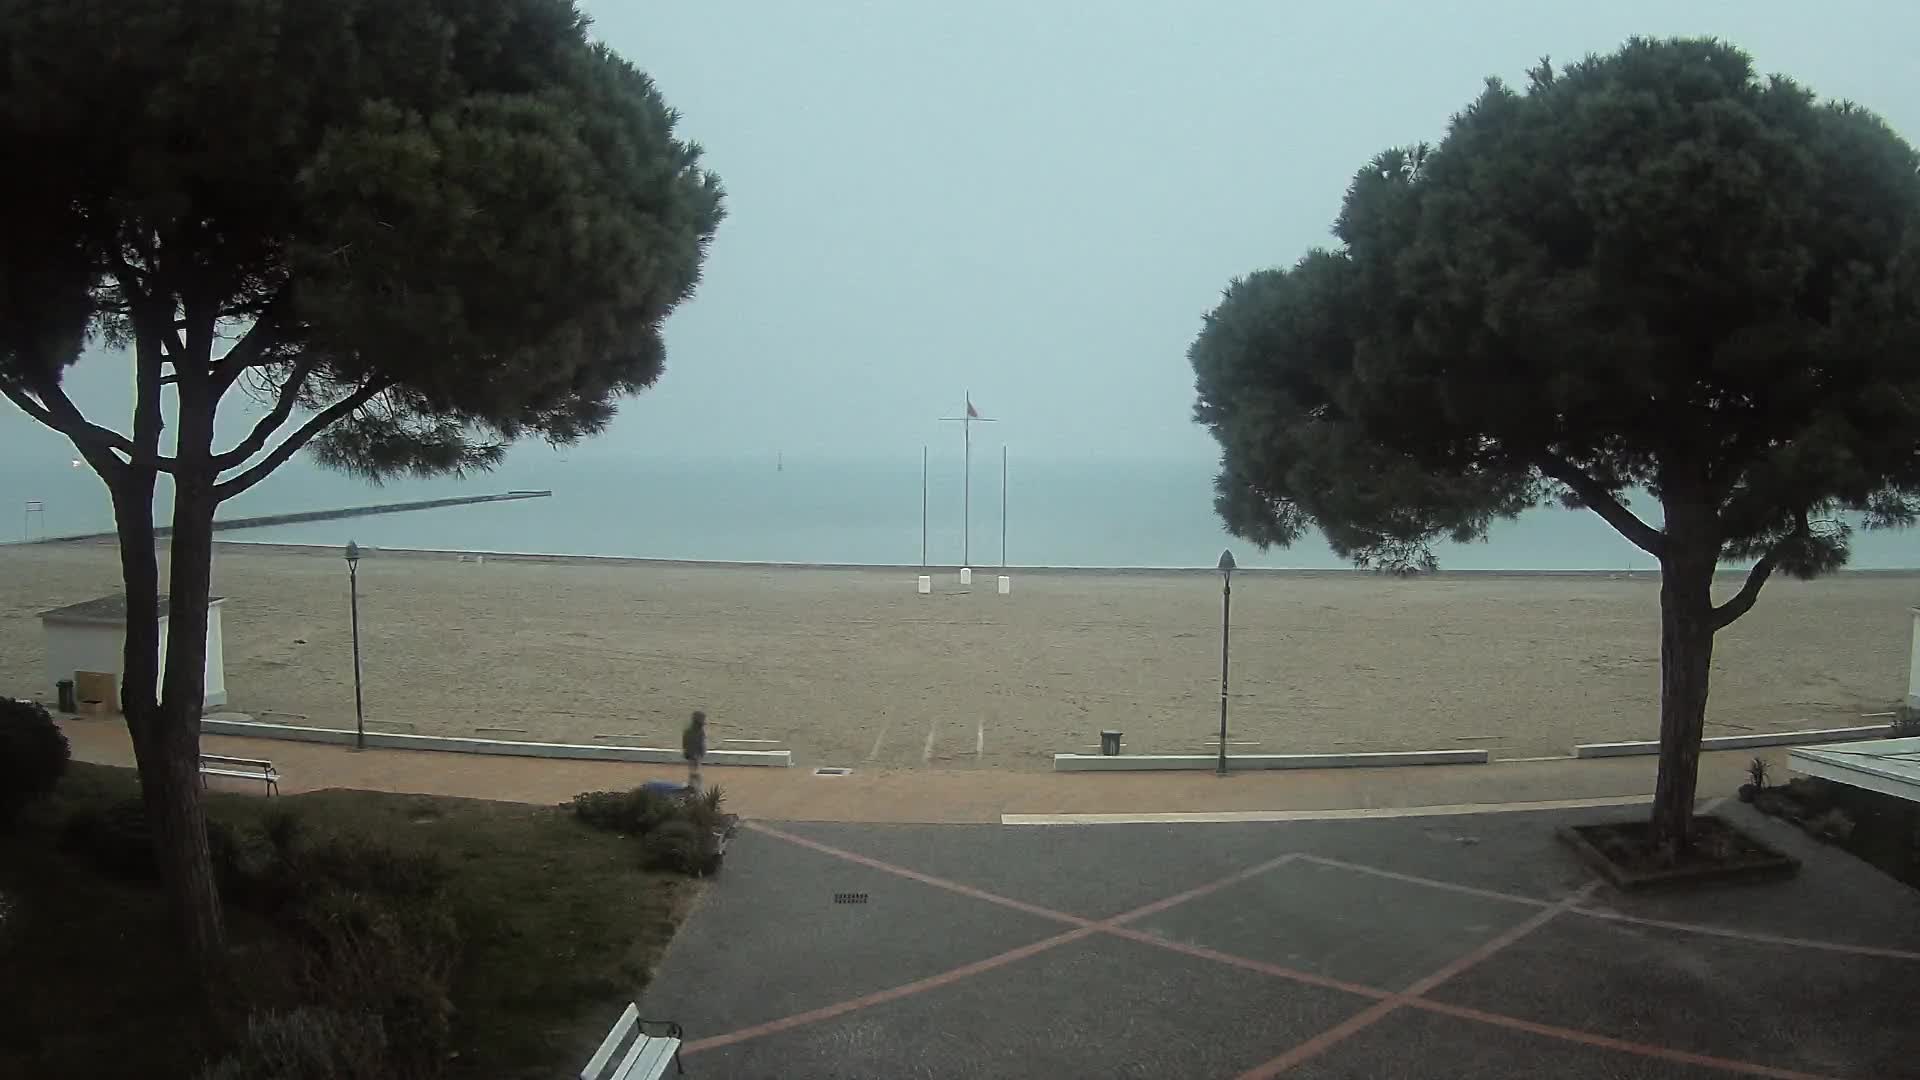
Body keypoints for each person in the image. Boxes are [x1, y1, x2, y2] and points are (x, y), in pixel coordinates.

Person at [682, 709, 708, 790]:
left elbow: (685, 742)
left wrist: (685, 751)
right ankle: (694, 785)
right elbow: (702, 744)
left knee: (694, 770)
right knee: (695, 769)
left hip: (692, 753)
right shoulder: (700, 732)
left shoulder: (689, 731)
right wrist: (702, 752)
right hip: (695, 753)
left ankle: (694, 785)